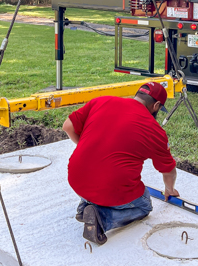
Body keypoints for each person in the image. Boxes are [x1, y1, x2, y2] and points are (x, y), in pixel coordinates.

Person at [62, 81, 179, 245]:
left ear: (138, 95)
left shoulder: (102, 101)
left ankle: (86, 206)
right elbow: (168, 170)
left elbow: (67, 126)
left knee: (97, 182)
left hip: (76, 179)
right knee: (144, 204)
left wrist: (89, 148)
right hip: (110, 187)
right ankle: (102, 218)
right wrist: (169, 189)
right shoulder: (155, 131)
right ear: (157, 105)